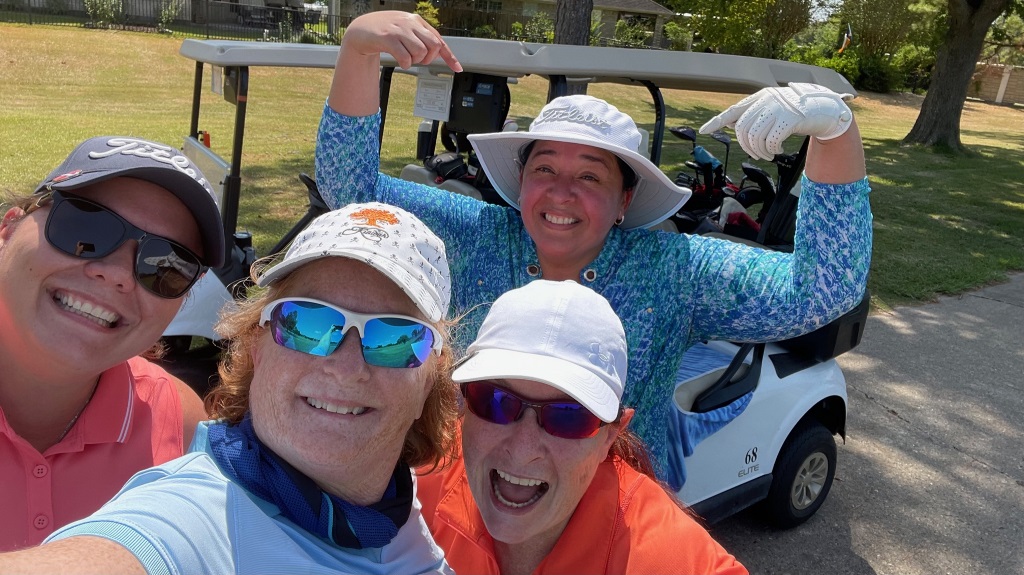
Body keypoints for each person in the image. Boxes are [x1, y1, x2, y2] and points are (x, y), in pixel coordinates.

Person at [317, 11, 873, 475]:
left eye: (589, 177)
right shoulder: (479, 232)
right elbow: (350, 188)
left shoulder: (669, 269)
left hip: (609, 510)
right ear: (521, 181)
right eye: (545, 169)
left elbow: (821, 289)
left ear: (625, 200)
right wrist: (359, 49)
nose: (560, 195)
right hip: (467, 490)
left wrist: (836, 133)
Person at [0, 202, 459, 573]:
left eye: (395, 339)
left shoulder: (395, 513)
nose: (345, 366)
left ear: (427, 383)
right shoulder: (191, 523)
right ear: (256, 347)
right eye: (306, 323)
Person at [417, 280, 747, 574]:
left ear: (609, 437)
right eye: (495, 401)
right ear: (462, 404)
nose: (523, 448)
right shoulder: (416, 480)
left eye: (568, 416)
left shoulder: (662, 554)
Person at [0, 136, 225, 551]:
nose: (118, 273)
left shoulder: (178, 423)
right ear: (8, 229)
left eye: (166, 265)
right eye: (85, 227)